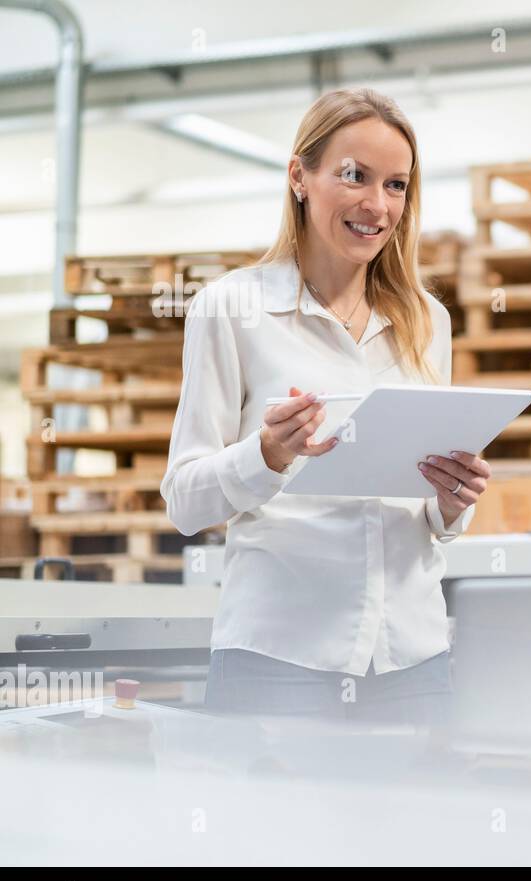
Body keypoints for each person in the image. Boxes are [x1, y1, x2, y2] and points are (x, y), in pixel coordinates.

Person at [162, 88, 492, 723]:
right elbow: (184, 501)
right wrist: (265, 454)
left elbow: (424, 510)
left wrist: (451, 501)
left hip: (412, 660)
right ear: (299, 178)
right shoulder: (232, 309)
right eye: (353, 176)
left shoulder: (428, 321)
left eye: (396, 185)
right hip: (280, 658)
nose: (377, 204)